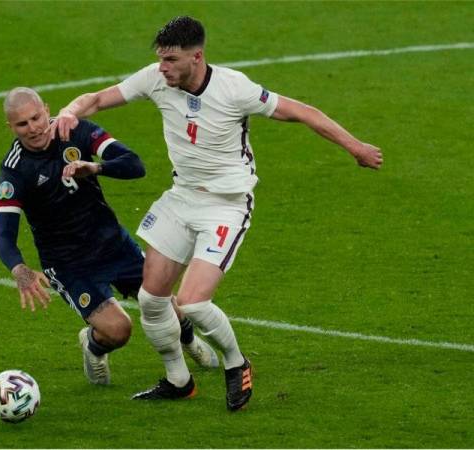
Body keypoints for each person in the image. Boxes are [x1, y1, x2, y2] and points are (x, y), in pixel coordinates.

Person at [50, 16, 383, 411]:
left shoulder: (233, 88)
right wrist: (71, 110)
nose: (163, 67)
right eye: (160, 58)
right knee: (152, 298)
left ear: (197, 56)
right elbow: (100, 98)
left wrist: (355, 147)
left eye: (171, 59)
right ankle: (178, 380)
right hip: (181, 198)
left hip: (225, 205)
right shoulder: (156, 79)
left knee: (191, 302)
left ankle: (236, 363)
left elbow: (301, 111)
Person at [0, 87, 219, 386]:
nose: (33, 128)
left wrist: (96, 168)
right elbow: (4, 237)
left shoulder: (76, 131)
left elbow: (134, 165)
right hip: (69, 264)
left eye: (36, 117)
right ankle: (93, 345)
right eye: (22, 124)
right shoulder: (14, 170)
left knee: (164, 304)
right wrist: (19, 269)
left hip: (113, 245)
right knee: (118, 330)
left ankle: (190, 342)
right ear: (10, 126)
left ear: (46, 109)